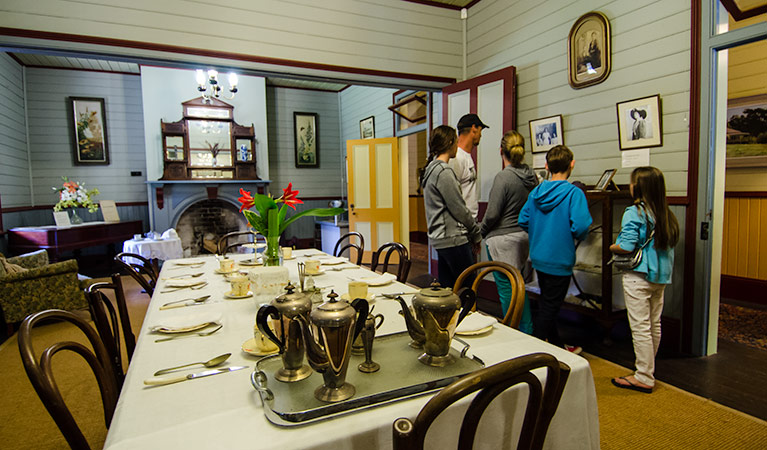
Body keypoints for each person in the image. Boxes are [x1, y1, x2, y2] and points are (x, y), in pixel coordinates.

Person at [610, 167, 679, 394]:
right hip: (660, 277)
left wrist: (611, 246)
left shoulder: (634, 212)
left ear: (638, 187)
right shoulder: (666, 213)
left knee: (639, 327)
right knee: (653, 323)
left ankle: (643, 376)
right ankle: (648, 368)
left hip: (638, 275)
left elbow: (626, 246)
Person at [519, 145, 592, 352]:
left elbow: (523, 219)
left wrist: (538, 230)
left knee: (546, 304)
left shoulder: (536, 193)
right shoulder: (573, 194)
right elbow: (581, 226)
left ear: (546, 166)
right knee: (550, 308)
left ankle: (557, 347)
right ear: (572, 164)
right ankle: (532, 352)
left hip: (539, 257)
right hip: (560, 258)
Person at [480, 130, 538, 333]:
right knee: (519, 286)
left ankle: (515, 333)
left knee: (507, 289)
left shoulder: (504, 178)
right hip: (523, 237)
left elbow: (493, 213)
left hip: (502, 239)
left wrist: (481, 230)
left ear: (501, 151)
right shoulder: (531, 176)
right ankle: (527, 329)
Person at [421, 125, 482, 289]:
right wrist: (476, 234)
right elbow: (459, 209)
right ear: (450, 142)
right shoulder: (443, 172)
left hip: (441, 239)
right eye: (455, 141)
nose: (457, 145)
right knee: (467, 290)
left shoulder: (431, 170)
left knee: (448, 290)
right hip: (453, 239)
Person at [448, 113, 488, 220]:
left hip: (470, 223)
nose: (481, 135)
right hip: (461, 224)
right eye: (480, 130)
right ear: (474, 129)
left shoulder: (466, 156)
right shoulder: (456, 158)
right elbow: (451, 196)